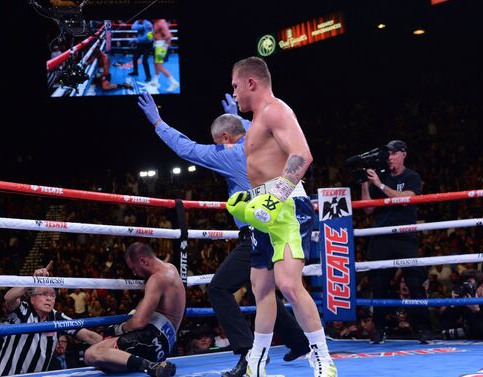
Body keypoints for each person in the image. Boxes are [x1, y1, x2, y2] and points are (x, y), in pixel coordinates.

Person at [137, 92, 311, 377]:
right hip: (286, 217)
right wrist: (240, 118)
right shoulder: (262, 142)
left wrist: (158, 122)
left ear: (225, 138)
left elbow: (188, 149)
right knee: (265, 288)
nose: (218, 145)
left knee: (219, 288)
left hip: (259, 227)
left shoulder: (231, 153)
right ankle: (299, 342)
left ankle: (247, 353)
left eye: (219, 140)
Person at [226, 56, 336, 377]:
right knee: (261, 290)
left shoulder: (276, 109)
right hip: (263, 210)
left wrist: (274, 198)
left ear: (251, 83)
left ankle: (322, 358)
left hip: (286, 209)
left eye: (235, 86)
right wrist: (253, 199)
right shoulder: (258, 119)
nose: (233, 93)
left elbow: (302, 155)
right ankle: (256, 363)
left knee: (288, 284)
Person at [360, 139, 431, 344]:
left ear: (403, 154)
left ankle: (423, 330)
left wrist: (379, 185)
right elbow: (368, 209)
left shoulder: (412, 177)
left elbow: (405, 198)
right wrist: (365, 183)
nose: (389, 158)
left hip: (405, 236)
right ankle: (379, 329)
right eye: (387, 154)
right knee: (379, 285)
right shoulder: (379, 178)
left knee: (414, 284)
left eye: (393, 154)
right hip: (381, 237)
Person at [84, 242, 184, 377]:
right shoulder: (170, 268)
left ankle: (151, 367)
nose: (134, 273)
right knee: (107, 361)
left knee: (91, 354)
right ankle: (149, 363)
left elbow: (139, 322)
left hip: (153, 337)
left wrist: (119, 328)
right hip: (164, 344)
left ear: (143, 260)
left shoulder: (157, 279)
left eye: (134, 268)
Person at [0, 261, 103, 376]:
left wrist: (115, 346)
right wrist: (33, 280)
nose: (49, 298)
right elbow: (9, 298)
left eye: (52, 295)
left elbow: (88, 335)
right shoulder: (24, 310)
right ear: (33, 299)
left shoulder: (57, 317)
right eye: (44, 294)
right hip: (7, 374)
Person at [148, 19, 179, 92]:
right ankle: (155, 81)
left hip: (161, 46)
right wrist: (152, 34)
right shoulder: (155, 22)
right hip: (157, 45)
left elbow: (168, 35)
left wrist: (164, 47)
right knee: (155, 63)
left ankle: (174, 82)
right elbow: (158, 34)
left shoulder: (161, 22)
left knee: (159, 65)